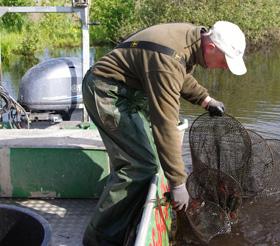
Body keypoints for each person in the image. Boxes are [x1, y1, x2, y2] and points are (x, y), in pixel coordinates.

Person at [82, 20, 247, 245]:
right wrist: (179, 183)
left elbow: (179, 74)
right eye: (225, 61)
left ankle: (129, 212)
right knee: (139, 166)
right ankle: (99, 239)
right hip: (107, 92)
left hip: (129, 90)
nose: (225, 67)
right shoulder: (169, 60)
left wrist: (205, 99)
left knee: (152, 160)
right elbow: (165, 123)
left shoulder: (191, 39)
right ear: (211, 48)